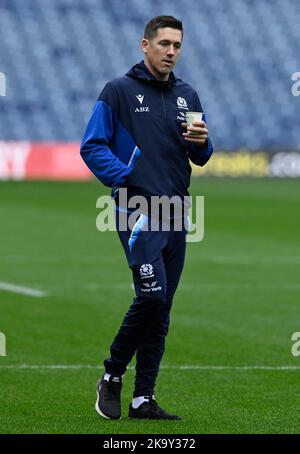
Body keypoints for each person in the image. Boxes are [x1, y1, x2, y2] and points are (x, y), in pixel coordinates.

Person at [80, 15, 213, 420]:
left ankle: (143, 398)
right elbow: (92, 146)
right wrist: (127, 176)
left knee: (162, 307)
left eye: (177, 45)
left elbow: (201, 156)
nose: (171, 51)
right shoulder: (118, 91)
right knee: (152, 296)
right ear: (145, 45)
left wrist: (203, 144)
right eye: (164, 44)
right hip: (137, 211)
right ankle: (112, 375)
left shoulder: (188, 95)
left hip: (177, 211)